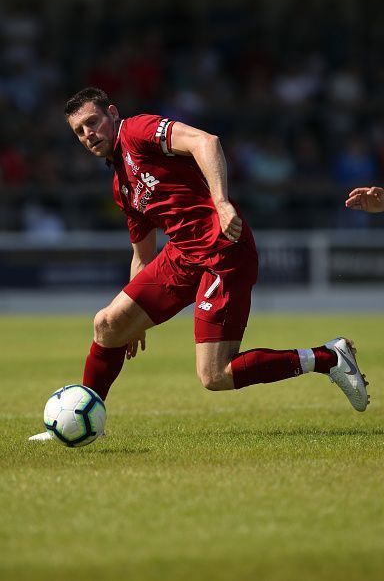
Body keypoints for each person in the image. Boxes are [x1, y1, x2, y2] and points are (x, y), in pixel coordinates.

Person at [30, 87, 369, 440]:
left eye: (92, 122)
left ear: (112, 114)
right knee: (108, 324)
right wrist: (135, 322)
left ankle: (328, 357)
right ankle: (85, 421)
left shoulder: (137, 130)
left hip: (223, 252)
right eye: (80, 132)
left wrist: (221, 203)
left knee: (215, 376)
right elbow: (142, 255)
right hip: (182, 254)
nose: (89, 134)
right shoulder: (122, 185)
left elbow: (206, 142)